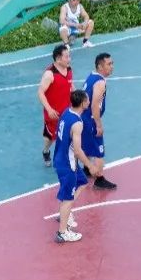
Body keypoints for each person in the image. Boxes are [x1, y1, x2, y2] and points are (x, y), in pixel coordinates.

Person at [53, 90, 101, 243]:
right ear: (82, 103)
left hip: (61, 158)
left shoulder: (66, 112)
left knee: (82, 182)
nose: (89, 101)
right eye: (87, 100)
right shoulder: (77, 123)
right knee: (68, 198)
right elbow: (78, 150)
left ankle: (65, 213)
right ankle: (62, 232)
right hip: (68, 164)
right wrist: (90, 166)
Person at [81, 52, 116, 190]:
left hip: (83, 118)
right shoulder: (100, 82)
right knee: (99, 150)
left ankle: (86, 169)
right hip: (90, 119)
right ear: (100, 67)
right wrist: (98, 125)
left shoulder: (91, 76)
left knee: (87, 145)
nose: (112, 66)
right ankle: (99, 179)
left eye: (112, 63)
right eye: (109, 64)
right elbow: (94, 105)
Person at [37, 44, 73, 167]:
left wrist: (77, 98)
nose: (69, 59)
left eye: (69, 56)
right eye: (66, 57)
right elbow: (40, 92)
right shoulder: (50, 74)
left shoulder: (69, 69)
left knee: (68, 134)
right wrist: (49, 109)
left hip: (67, 110)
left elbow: (70, 85)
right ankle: (46, 151)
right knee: (50, 138)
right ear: (58, 59)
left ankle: (65, 159)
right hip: (53, 113)